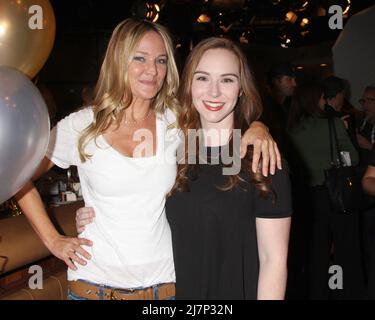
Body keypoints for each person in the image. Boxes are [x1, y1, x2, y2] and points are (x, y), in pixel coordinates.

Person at [15, 19, 280, 300]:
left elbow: (224, 125)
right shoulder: (81, 126)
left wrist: (258, 128)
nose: (152, 70)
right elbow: (19, 176)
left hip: (164, 290)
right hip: (92, 288)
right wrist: (53, 240)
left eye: (161, 60)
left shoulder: (178, 122)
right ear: (118, 60)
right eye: (139, 58)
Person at [77, 37, 292, 300]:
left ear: (241, 89)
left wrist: (259, 127)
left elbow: (274, 262)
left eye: (227, 79)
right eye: (202, 78)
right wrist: (96, 214)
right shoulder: (173, 152)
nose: (213, 92)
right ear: (188, 84)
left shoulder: (261, 158)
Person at [287, 82, 365, 299]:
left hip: (307, 198)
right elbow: (354, 157)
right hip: (334, 193)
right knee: (344, 246)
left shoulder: (291, 128)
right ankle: (344, 290)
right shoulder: (332, 124)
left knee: (316, 251)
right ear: (315, 99)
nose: (324, 101)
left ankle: (320, 291)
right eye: (322, 97)